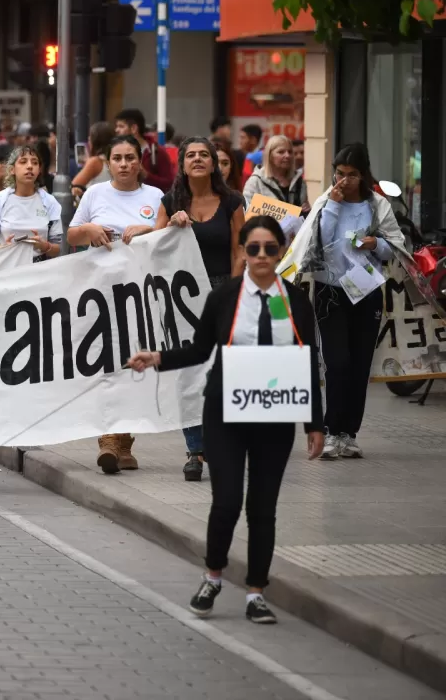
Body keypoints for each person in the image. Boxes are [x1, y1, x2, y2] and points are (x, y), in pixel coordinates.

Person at [127, 215, 324, 625]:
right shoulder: (225, 297)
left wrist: (315, 424)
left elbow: (307, 363)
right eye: (254, 248)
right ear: (242, 252)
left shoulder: (296, 300)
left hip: (275, 414)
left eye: (271, 248)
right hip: (226, 412)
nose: (262, 256)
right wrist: (157, 358)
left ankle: (256, 592)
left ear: (281, 250)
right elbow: (200, 350)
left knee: (263, 508)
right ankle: (213, 576)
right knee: (228, 501)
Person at [284, 143, 405, 460]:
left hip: (366, 290)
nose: (344, 181)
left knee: (359, 364)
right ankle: (329, 428)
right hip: (330, 291)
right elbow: (318, 242)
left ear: (363, 175)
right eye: (339, 174)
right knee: (337, 362)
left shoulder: (378, 205)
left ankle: (347, 434)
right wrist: (334, 207)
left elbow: (396, 247)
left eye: (351, 175)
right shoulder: (326, 200)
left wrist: (375, 242)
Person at [67, 135, 164, 473]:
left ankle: (125, 443)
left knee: (134, 365)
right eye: (118, 158)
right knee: (107, 362)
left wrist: (149, 228)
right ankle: (108, 438)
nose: (124, 164)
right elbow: (71, 235)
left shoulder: (155, 197)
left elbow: (169, 238)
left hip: (142, 296)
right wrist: (90, 229)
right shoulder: (94, 194)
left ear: (140, 162)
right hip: (101, 294)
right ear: (107, 163)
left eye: (130, 157)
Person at [155, 137, 246, 481]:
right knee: (188, 375)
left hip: (223, 290)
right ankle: (195, 450)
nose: (197, 159)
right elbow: (154, 248)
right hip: (181, 297)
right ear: (181, 164)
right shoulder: (170, 201)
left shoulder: (232, 202)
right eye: (190, 155)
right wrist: (168, 226)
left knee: (218, 371)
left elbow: (241, 249)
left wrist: (235, 290)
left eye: (203, 155)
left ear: (214, 163)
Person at [0, 145, 62, 260]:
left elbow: (58, 248)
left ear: (39, 170)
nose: (30, 166)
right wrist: (2, 248)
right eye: (23, 162)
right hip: (7, 268)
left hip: (40, 270)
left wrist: (44, 246)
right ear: (12, 170)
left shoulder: (49, 201)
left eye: (35, 163)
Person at [113, 109, 174, 192]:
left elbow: (169, 183)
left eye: (121, 126)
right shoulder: (115, 150)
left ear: (134, 128)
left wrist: (146, 175)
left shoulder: (156, 152)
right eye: (116, 126)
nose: (116, 130)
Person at [242, 134, 307, 212]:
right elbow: (246, 211)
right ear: (270, 156)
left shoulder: (299, 181)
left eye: (290, 152)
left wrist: (307, 210)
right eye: (281, 152)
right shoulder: (255, 181)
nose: (287, 155)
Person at [70, 121, 116, 200]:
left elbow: (74, 185)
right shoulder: (114, 159)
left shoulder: (95, 162)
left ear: (95, 141)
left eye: (89, 138)